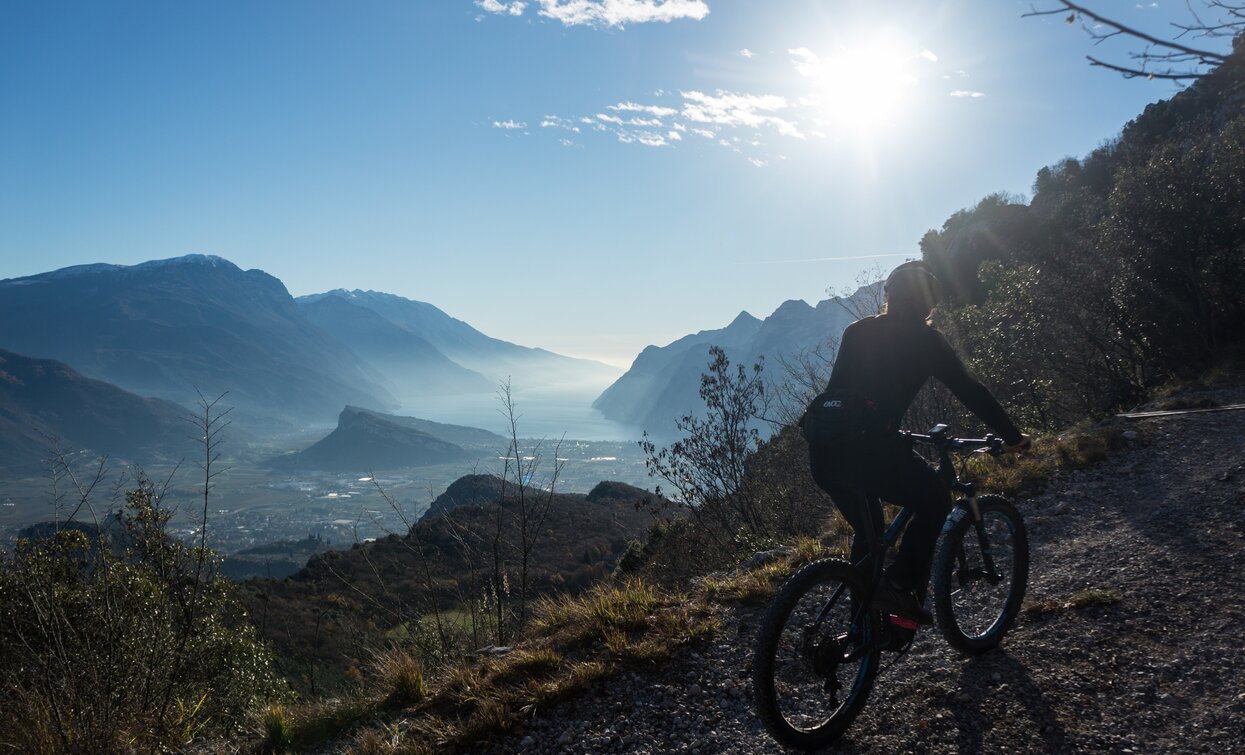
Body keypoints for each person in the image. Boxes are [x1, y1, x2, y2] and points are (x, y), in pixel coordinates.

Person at [806, 260, 1030, 624]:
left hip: (824, 452)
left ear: (888, 296)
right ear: (929, 306)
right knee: (935, 498)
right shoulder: (927, 341)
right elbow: (971, 392)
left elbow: (843, 395)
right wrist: (1013, 437)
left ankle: (862, 619)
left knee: (870, 531)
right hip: (869, 453)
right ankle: (897, 584)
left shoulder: (856, 331)